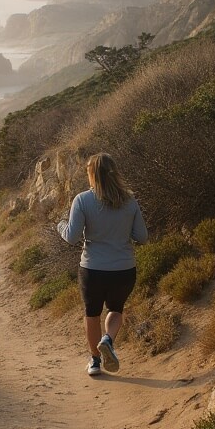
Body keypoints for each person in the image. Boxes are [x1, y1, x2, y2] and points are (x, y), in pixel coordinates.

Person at [57, 152, 147, 375]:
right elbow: (142, 237)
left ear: (92, 174)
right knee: (115, 310)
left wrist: (59, 225)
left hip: (92, 269)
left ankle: (95, 362)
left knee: (92, 314)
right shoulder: (130, 200)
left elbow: (71, 236)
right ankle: (108, 339)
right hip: (124, 269)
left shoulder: (83, 200)